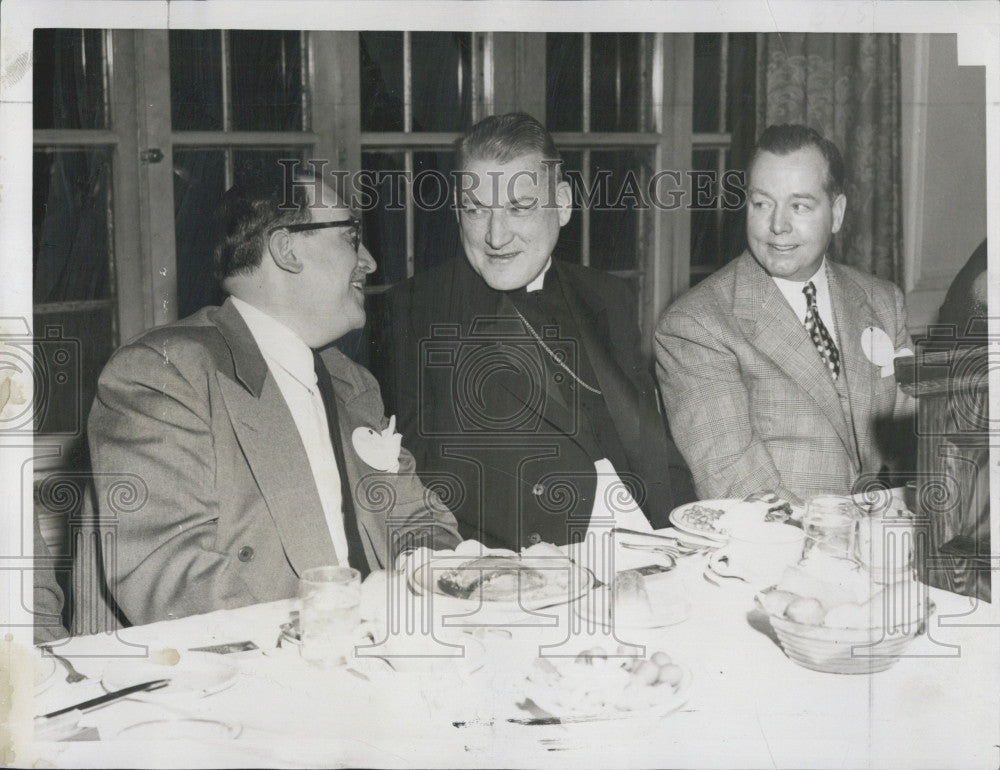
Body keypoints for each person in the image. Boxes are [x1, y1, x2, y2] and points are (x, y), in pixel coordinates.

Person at [88, 169, 460, 626]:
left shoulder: (351, 382)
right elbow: (168, 572)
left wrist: (441, 583)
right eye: (350, 237)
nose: (369, 261)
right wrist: (325, 641)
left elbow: (419, 518)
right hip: (266, 672)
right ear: (287, 249)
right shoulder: (165, 371)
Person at [379, 112, 694, 550]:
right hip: (529, 557)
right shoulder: (414, 310)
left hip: (652, 538)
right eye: (475, 210)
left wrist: (689, 533)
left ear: (562, 204)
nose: (495, 235)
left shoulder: (607, 296)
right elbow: (417, 477)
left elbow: (651, 446)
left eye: (519, 207)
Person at [656, 124, 915, 503]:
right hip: (780, 550)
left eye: (799, 206)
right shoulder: (696, 325)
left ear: (837, 213)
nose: (777, 225)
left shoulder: (882, 301)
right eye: (762, 203)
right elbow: (743, 492)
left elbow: (923, 441)